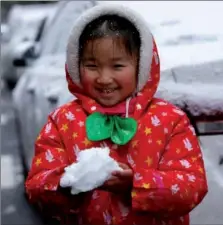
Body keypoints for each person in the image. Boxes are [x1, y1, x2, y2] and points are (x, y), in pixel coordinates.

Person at [25, 3, 208, 225]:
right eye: (92, 66)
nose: (104, 78)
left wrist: (136, 183)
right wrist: (67, 183)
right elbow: (36, 187)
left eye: (117, 66)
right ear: (76, 65)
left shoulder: (170, 120)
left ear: (142, 65)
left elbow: (192, 187)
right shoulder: (63, 120)